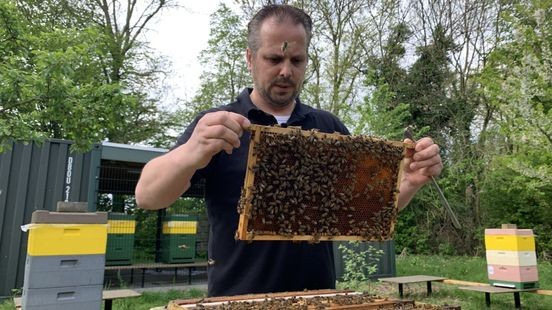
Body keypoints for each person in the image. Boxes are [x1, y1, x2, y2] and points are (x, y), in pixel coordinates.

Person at [135, 4, 442, 297]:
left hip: (317, 296)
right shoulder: (219, 125)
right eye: (273, 59)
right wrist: (191, 151)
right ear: (250, 58)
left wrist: (410, 182)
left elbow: (364, 212)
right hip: (237, 299)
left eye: (297, 61)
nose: (286, 71)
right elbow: (147, 196)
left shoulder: (328, 127)